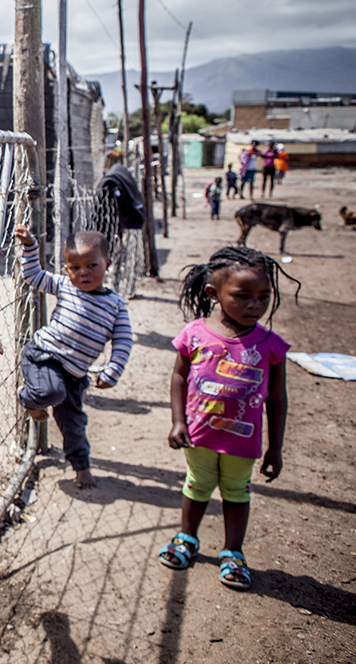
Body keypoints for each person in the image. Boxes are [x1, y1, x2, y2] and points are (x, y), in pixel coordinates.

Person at [158, 246, 298, 590]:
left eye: (264, 296)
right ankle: (187, 538)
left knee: (236, 492)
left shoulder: (270, 344)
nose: (255, 305)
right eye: (243, 296)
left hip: (242, 441)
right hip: (199, 434)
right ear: (214, 293)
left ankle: (233, 552)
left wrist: (275, 448)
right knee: (197, 484)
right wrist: (178, 421)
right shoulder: (195, 333)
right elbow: (179, 377)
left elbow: (277, 399)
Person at [14, 226, 133, 489]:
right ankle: (28, 397)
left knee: (74, 423)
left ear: (107, 264)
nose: (83, 273)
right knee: (51, 391)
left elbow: (123, 340)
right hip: (45, 356)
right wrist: (31, 247)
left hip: (76, 374)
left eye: (92, 265)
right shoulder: (65, 286)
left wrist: (113, 369)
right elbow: (33, 275)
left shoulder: (115, 305)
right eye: (74, 267)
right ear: (66, 268)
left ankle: (81, 467)